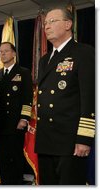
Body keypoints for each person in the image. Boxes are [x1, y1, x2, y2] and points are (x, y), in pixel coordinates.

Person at [35, 7, 95, 185]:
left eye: (52, 21)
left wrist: (84, 138)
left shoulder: (83, 52)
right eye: (45, 23)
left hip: (70, 141)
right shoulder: (44, 59)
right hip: (46, 139)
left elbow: (89, 97)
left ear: (68, 24)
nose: (46, 26)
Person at [0, 42, 33, 184]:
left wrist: (24, 118)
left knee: (15, 158)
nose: (2, 54)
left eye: (6, 51)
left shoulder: (23, 72)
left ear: (14, 54)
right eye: (0, 52)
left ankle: (15, 184)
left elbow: (28, 98)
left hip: (15, 123)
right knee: (2, 158)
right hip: (0, 124)